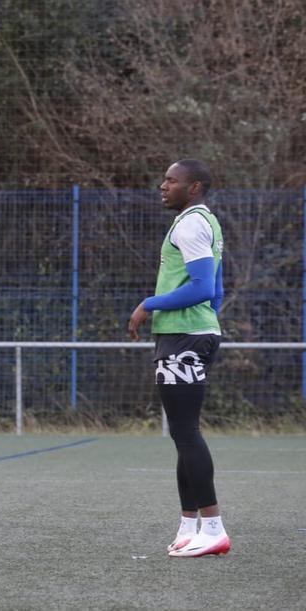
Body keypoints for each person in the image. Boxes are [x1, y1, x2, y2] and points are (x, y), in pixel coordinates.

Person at [127, 159, 229, 557]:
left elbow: (203, 287)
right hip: (188, 335)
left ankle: (215, 528)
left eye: (172, 180)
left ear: (196, 187)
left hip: (184, 337)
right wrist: (206, 323)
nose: (163, 185)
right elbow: (217, 289)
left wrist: (148, 304)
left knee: (186, 433)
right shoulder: (206, 221)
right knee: (182, 433)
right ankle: (190, 526)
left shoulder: (190, 223)